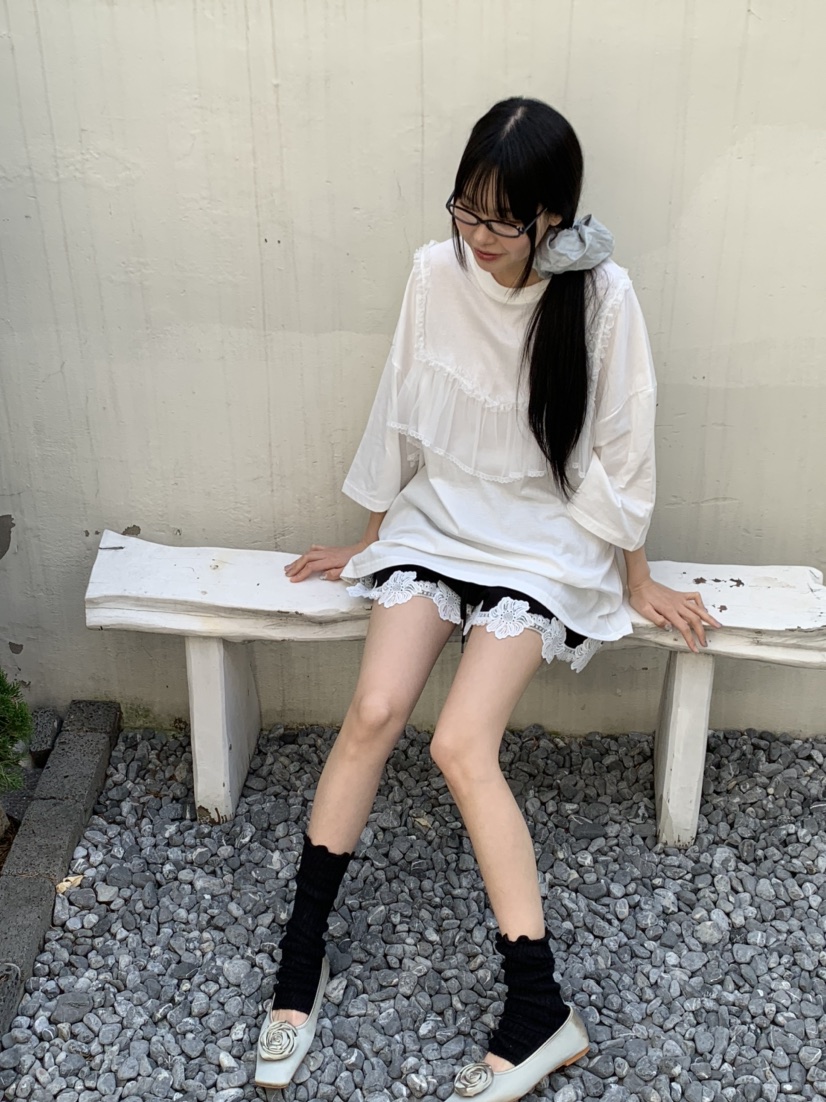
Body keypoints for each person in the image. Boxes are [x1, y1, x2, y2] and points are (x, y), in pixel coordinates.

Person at [254, 97, 719, 1101]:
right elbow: (401, 405)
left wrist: (636, 577)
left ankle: (539, 1008)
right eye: (466, 210)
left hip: (545, 539)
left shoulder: (601, 297)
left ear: (554, 216)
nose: (478, 236)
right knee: (373, 710)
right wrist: (372, 537)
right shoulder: (436, 273)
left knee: (461, 745)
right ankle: (300, 964)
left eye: (502, 219)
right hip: (442, 518)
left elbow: (623, 448)